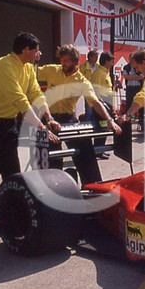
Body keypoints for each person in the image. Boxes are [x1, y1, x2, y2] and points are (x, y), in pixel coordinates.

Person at [0, 32, 60, 218]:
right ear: (26, 50)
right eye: (36, 50)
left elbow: (35, 93)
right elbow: (20, 101)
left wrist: (49, 117)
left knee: (8, 166)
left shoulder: (28, 67)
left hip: (6, 119)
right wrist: (42, 127)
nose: (39, 54)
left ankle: (9, 207)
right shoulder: (4, 66)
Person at [38, 44, 121, 184]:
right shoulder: (51, 70)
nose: (62, 63)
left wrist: (109, 120)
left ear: (75, 61)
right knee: (52, 159)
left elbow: (95, 102)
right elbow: (29, 72)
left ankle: (94, 186)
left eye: (66, 61)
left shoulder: (82, 82)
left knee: (85, 151)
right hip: (49, 118)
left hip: (68, 118)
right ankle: (52, 187)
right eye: (61, 60)